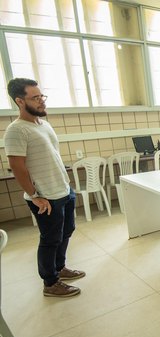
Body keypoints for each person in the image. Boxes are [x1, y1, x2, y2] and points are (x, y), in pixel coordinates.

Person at [4, 78, 85, 298]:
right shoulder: (16, 130)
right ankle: (50, 282)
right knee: (50, 239)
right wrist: (34, 195)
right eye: (35, 98)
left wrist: (68, 188)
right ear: (20, 101)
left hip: (63, 191)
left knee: (66, 232)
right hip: (45, 196)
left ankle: (60, 268)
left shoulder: (43, 124)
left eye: (42, 96)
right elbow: (17, 167)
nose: (41, 101)